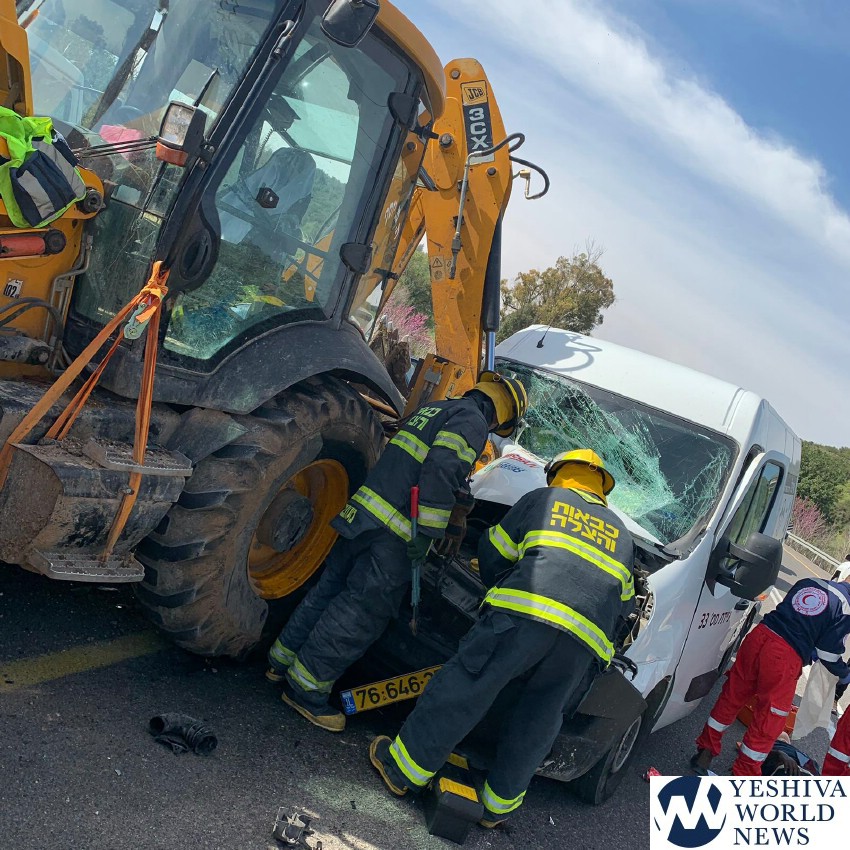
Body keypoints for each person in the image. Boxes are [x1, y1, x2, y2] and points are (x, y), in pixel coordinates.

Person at [369, 449, 635, 828]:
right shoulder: (621, 535)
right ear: (601, 488)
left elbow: (494, 552)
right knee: (539, 720)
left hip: (523, 616)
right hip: (583, 646)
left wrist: (498, 588)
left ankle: (404, 771)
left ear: (558, 474)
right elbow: (624, 608)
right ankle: (497, 808)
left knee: (466, 686)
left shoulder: (544, 499)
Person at [266, 371, 528, 732]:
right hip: (393, 533)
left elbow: (422, 464)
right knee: (359, 612)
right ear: (503, 416)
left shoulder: (438, 409)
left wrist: (458, 503)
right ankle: (306, 689)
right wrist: (429, 533)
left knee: (328, 591)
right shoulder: (472, 422)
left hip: (363, 517)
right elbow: (441, 468)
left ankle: (280, 662)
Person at [692, 576, 850, 776]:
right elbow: (828, 654)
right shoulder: (845, 606)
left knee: (731, 697)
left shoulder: (810, 582)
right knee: (770, 719)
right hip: (783, 657)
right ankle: (743, 774)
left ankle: (705, 752)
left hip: (760, 636)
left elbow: (798, 618)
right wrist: (844, 676)